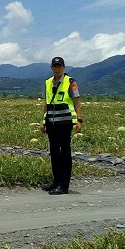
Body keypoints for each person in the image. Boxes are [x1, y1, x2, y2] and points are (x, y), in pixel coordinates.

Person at [40, 56, 83, 195]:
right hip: (52, 123)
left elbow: (77, 102)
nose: (57, 68)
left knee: (64, 153)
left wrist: (79, 120)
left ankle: (64, 185)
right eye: (55, 66)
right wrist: (43, 121)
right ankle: (56, 181)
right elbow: (46, 104)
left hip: (65, 122)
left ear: (64, 67)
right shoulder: (47, 83)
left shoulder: (70, 82)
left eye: (59, 66)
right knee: (54, 153)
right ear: (51, 68)